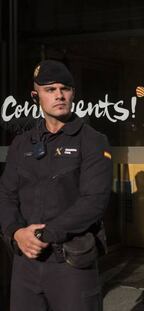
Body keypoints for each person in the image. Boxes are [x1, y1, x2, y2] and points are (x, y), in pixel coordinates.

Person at [0, 59, 112, 311]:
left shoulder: (93, 141)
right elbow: (5, 195)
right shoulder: (22, 144)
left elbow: (93, 202)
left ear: (73, 93)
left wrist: (40, 235)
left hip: (71, 265)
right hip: (26, 264)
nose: (59, 95)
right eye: (50, 89)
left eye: (65, 88)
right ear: (35, 95)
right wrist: (16, 233)